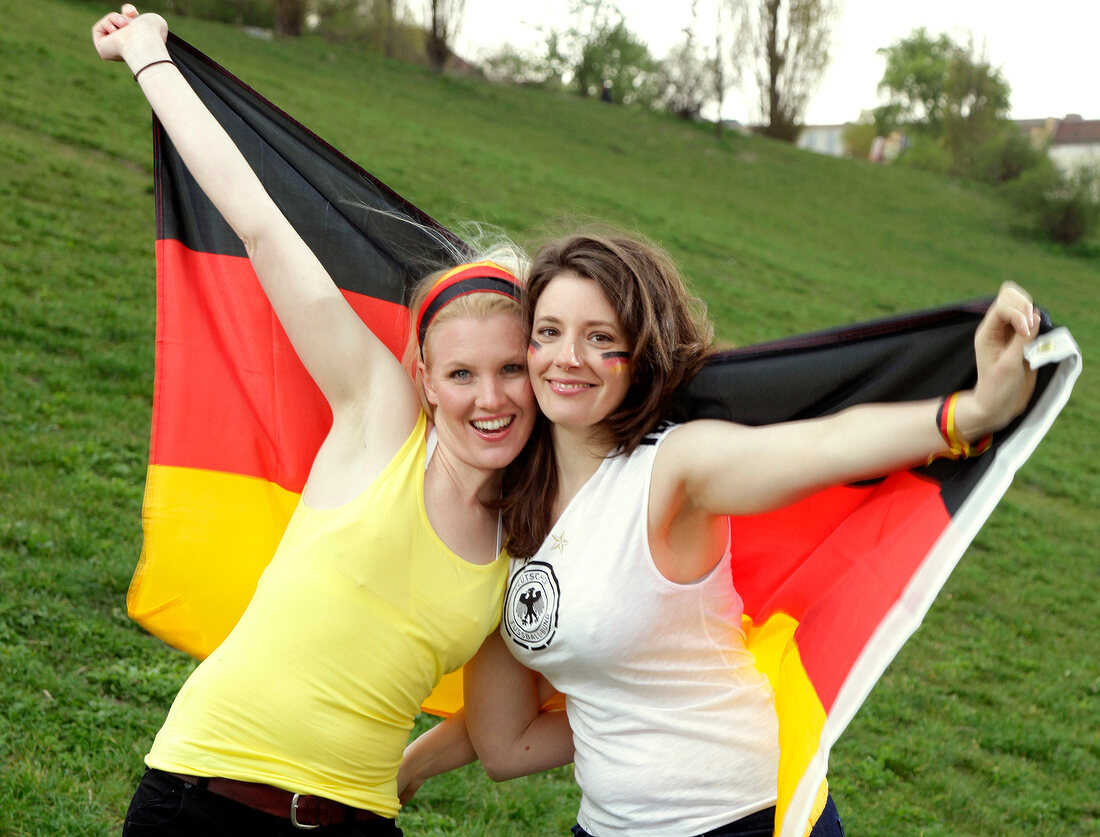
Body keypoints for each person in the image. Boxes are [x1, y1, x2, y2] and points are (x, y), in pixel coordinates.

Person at [400, 232, 1040, 837]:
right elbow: (505, 746)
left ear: (640, 356)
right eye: (549, 332)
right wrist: (409, 767)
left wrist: (972, 412)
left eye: (601, 338)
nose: (569, 358)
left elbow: (825, 445)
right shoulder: (513, 506)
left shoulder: (673, 469)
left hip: (738, 815)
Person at [93, 6, 537, 834]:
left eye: (514, 369)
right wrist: (150, 59)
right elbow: (261, 228)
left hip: (357, 818)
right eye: (463, 373)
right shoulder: (380, 414)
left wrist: (406, 769)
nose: (491, 397)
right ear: (426, 380)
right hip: (203, 796)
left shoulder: (531, 532)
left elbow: (500, 721)